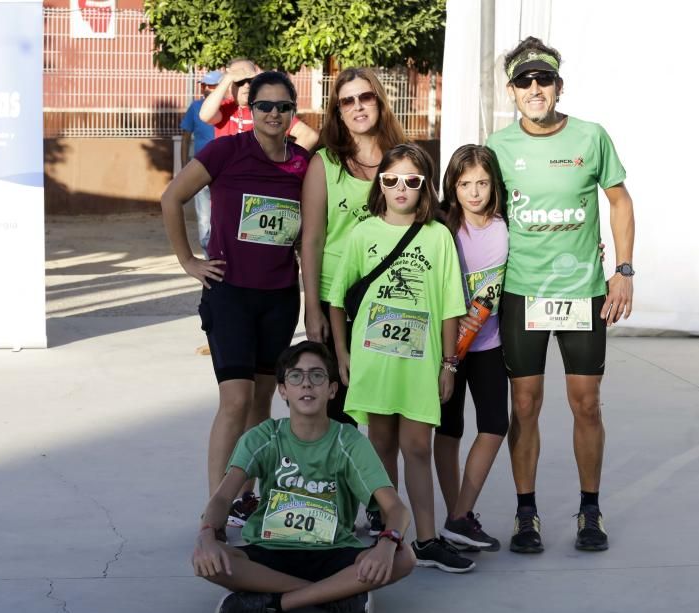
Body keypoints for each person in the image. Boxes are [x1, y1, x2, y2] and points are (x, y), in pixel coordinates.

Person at [486, 37, 635, 553]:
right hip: (521, 293)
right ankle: (526, 514)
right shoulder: (498, 145)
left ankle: (589, 510)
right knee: (524, 405)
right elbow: (482, 211)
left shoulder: (591, 137)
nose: (534, 89)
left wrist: (623, 270)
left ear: (558, 86)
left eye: (542, 79)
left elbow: (619, 201)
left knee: (586, 404)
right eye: (524, 81)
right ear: (511, 90)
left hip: (583, 293)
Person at [161, 71, 311, 525]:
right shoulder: (226, 150)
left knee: (263, 400)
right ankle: (216, 508)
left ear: (292, 112)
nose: (273, 114)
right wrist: (189, 261)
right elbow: (172, 198)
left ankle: (251, 495)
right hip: (229, 296)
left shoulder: (303, 163)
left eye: (283, 107)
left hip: (280, 297)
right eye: (264, 106)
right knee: (234, 399)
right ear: (249, 110)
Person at [193, 341, 416, 613]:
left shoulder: (348, 441)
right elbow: (223, 498)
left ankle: (276, 602)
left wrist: (387, 543)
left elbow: (396, 508)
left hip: (332, 551)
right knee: (208, 560)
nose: (306, 384)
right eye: (295, 376)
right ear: (283, 390)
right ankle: (335, 595)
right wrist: (208, 536)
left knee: (404, 558)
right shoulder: (265, 436)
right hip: (270, 549)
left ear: (332, 389)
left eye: (317, 375)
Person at [328, 144, 476, 573]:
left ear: (424, 185)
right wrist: (342, 352)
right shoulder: (363, 233)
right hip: (374, 361)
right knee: (380, 446)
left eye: (411, 180)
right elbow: (337, 299)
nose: (400, 188)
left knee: (417, 447)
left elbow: (451, 305)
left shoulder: (437, 236)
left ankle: (427, 539)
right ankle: (389, 534)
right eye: (390, 179)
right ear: (379, 184)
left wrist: (449, 364)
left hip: (419, 363)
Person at [301, 67, 407, 428]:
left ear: (379, 101)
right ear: (338, 111)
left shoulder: (402, 161)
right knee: (338, 414)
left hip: (393, 302)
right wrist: (311, 307)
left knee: (386, 419)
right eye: (348, 101)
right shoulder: (324, 164)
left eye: (365, 97)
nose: (358, 107)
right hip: (338, 304)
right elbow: (312, 240)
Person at [433, 145, 509, 553]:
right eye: (465, 184)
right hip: (449, 346)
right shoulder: (443, 225)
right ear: (453, 186)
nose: (475, 192)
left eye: (482, 183)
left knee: (495, 424)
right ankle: (455, 516)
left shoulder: (506, 224)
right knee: (449, 429)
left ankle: (460, 515)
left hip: (490, 342)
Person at [198, 58, 318, 150]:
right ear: (230, 85)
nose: (246, 85)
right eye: (239, 81)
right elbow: (205, 115)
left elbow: (309, 136)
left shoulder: (270, 109)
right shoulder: (225, 109)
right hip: (227, 179)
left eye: (251, 80)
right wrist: (228, 78)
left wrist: (284, 166)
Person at [180, 70, 222, 257]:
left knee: (224, 213)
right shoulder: (195, 107)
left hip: (224, 170)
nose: (206, 89)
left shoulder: (229, 108)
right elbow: (186, 136)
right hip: (201, 168)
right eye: (205, 85)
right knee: (204, 215)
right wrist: (184, 166)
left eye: (211, 85)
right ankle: (209, 254)